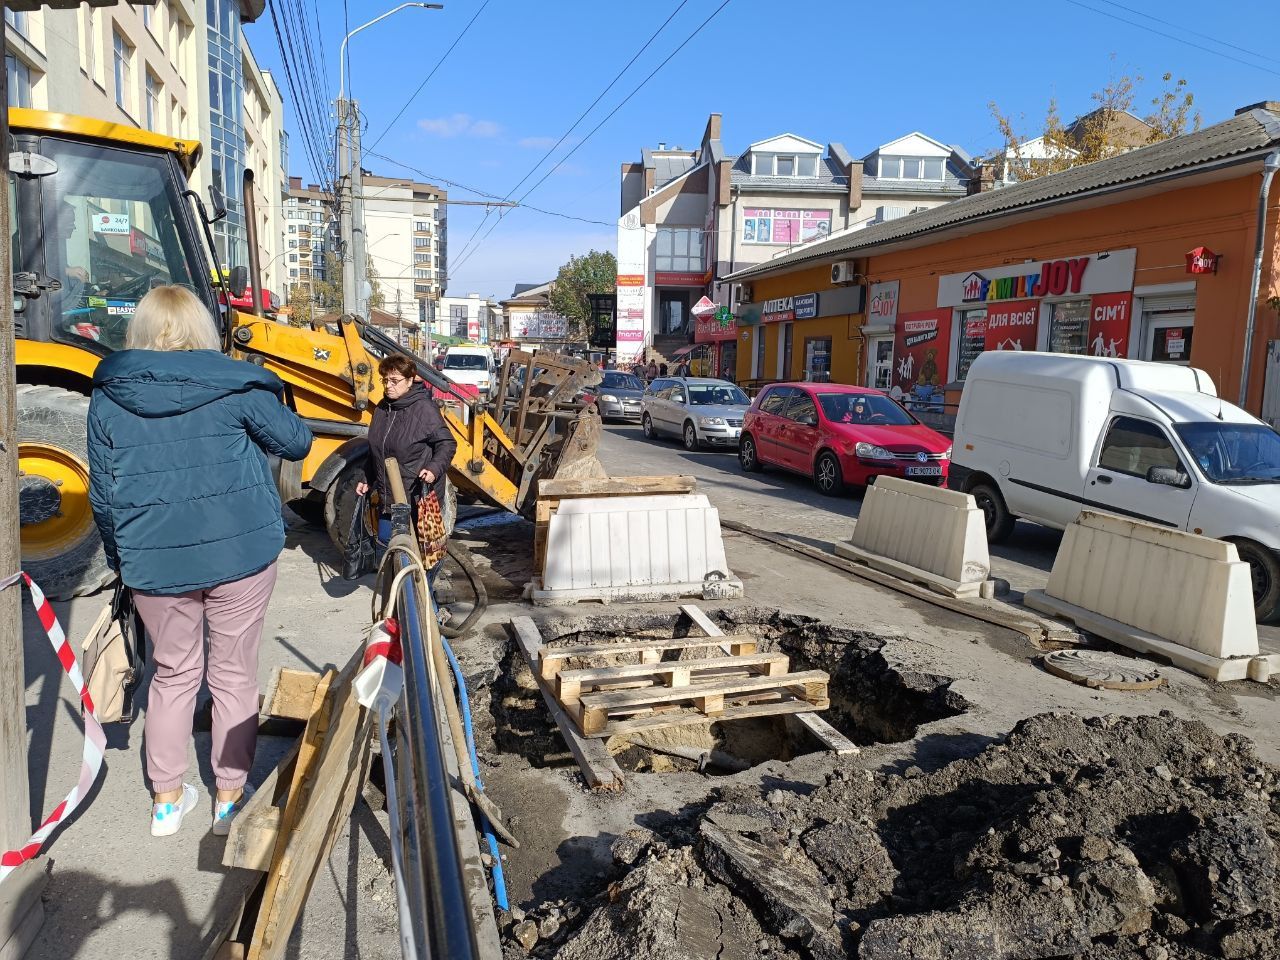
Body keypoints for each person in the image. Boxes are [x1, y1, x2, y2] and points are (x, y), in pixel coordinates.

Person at [87, 286, 312, 839]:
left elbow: (102, 496)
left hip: (154, 562)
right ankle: (228, 800)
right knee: (234, 675)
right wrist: (267, 386)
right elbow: (297, 442)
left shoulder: (110, 397)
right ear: (202, 328)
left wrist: (122, 560)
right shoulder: (235, 385)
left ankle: (166, 802)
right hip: (241, 555)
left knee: (172, 674)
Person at [356, 354, 458, 573]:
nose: (388, 386)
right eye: (385, 380)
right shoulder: (382, 409)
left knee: (426, 558)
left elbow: (447, 443)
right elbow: (377, 450)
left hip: (417, 498)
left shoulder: (424, 409)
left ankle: (426, 594)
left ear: (410, 380)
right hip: (388, 498)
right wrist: (367, 477)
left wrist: (433, 468)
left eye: (395, 381)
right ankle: (397, 592)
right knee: (388, 548)